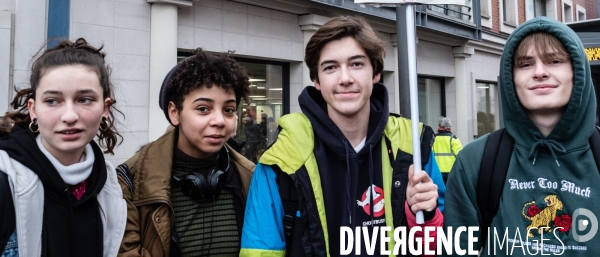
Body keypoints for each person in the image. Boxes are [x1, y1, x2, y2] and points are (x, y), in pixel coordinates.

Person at [241, 16, 445, 257]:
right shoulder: (281, 162)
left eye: (357, 64)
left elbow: (435, 248)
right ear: (316, 80)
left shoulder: (413, 148)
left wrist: (425, 216)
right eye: (330, 67)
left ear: (376, 72)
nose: (345, 78)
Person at [443, 17, 600, 255]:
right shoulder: (474, 162)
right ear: (511, 78)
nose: (539, 72)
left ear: (577, 72)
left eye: (555, 61)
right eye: (525, 64)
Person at [117, 49, 255, 256]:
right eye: (203, 109)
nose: (218, 121)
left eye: (228, 110)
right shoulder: (129, 181)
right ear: (175, 113)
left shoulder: (251, 177)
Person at [0, 38, 127, 257]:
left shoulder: (109, 185)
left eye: (85, 99)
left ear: (105, 107)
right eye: (52, 101)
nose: (69, 116)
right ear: (33, 109)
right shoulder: (5, 181)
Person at [432, 116, 463, 184]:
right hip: (451, 171)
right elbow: (461, 156)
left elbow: (430, 154)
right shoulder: (453, 139)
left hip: (437, 171)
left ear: (441, 126)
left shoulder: (434, 139)